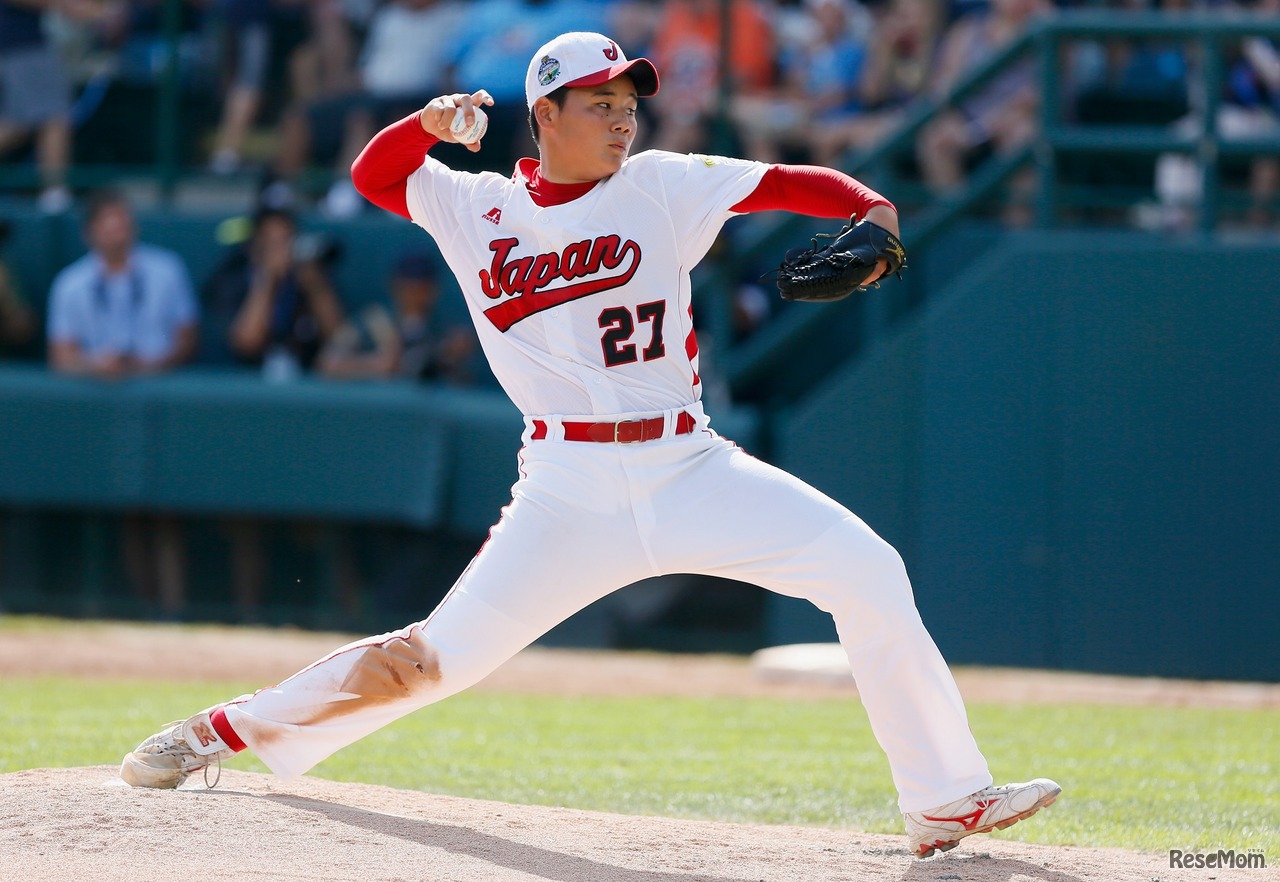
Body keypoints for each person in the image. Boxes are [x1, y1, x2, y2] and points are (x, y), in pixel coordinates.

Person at [119, 31, 1061, 860]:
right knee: (435, 660)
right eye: (601, 103)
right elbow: (372, 175)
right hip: (565, 489)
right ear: (546, 113)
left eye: (628, 103)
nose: (623, 119)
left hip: (689, 466)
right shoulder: (473, 207)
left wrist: (875, 206)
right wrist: (426, 125)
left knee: (868, 569)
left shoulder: (659, 185)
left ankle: (943, 800)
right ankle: (219, 733)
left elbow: (787, 184)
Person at [46, 189, 199, 618]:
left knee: (167, 510)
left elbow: (186, 338)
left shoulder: (165, 269)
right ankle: (136, 608)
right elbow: (61, 356)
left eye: (123, 219)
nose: (118, 229)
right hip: (97, 415)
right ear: (90, 231)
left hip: (162, 409)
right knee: (123, 513)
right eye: (108, 221)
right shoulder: (72, 283)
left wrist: (148, 364)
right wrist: (98, 365)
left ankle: (174, 610)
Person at [203, 205, 345, 373]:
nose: (283, 251)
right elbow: (247, 344)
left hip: (306, 381)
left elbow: (340, 340)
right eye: (274, 244)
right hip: (244, 381)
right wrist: (267, 280)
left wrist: (316, 288)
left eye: (287, 241)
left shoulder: (307, 276)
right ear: (255, 247)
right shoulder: (231, 280)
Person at [317, 250, 477, 383]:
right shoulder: (374, 320)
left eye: (423, 286)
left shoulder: (443, 326)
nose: (416, 293)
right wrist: (375, 365)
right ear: (396, 284)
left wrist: (451, 359)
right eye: (409, 286)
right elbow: (328, 363)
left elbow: (461, 383)